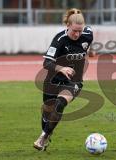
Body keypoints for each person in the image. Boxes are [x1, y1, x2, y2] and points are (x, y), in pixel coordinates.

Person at [33, 8, 93, 151]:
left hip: (73, 81)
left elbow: (88, 42)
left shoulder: (88, 34)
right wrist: (61, 68)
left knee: (60, 104)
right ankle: (46, 131)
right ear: (68, 26)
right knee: (47, 112)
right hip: (53, 79)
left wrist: (89, 50)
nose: (77, 34)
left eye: (80, 31)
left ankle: (43, 137)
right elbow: (46, 63)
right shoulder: (59, 40)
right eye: (74, 31)